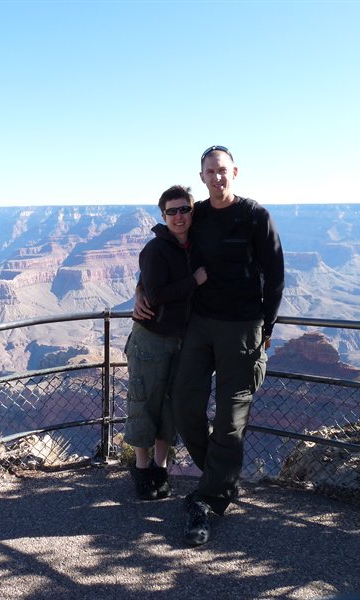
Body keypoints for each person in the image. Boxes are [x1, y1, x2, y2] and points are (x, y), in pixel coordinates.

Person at [134, 146, 284, 545]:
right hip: (199, 325)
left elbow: (275, 275)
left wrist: (266, 326)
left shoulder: (255, 216)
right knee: (184, 405)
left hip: (242, 327)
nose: (217, 177)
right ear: (201, 177)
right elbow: (166, 247)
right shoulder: (196, 213)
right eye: (210, 172)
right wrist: (140, 288)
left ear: (235, 172)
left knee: (231, 419)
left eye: (222, 170)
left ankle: (207, 499)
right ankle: (221, 478)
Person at [124, 184, 207, 500]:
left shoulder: (197, 245)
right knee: (144, 403)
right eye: (172, 211)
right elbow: (156, 295)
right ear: (163, 215)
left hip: (182, 341)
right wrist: (194, 281)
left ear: (192, 211)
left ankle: (160, 468)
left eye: (184, 209)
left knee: (170, 406)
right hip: (151, 340)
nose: (179, 216)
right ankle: (142, 469)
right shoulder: (156, 249)